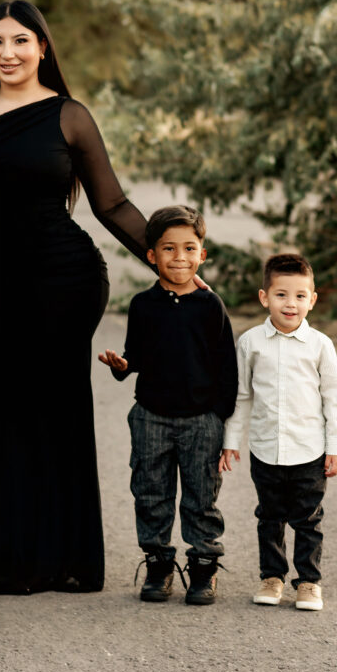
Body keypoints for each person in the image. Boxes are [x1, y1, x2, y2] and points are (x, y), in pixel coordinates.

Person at [0, 0, 154, 596]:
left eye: (20, 41)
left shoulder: (68, 116)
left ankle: (60, 558)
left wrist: (168, 261)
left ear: (43, 47)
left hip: (64, 279)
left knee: (53, 410)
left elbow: (112, 205)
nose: (7, 53)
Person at [99, 206, 238, 605]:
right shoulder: (143, 305)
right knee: (151, 492)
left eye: (188, 248)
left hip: (200, 421)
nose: (179, 257)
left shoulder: (211, 306)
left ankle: (203, 569)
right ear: (151, 256)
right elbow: (135, 357)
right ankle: (159, 565)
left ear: (202, 255)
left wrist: (220, 420)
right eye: (169, 249)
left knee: (200, 497)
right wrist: (122, 367)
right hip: (151, 417)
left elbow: (226, 367)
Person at [221, 254, 337, 611]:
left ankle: (308, 582)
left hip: (310, 451)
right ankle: (272, 577)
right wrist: (231, 441)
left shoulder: (321, 345)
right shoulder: (250, 342)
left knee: (308, 520)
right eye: (281, 295)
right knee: (270, 517)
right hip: (265, 450)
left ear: (312, 299)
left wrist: (336, 448)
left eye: (299, 296)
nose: (290, 304)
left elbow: (333, 400)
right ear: (265, 297)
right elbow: (242, 397)